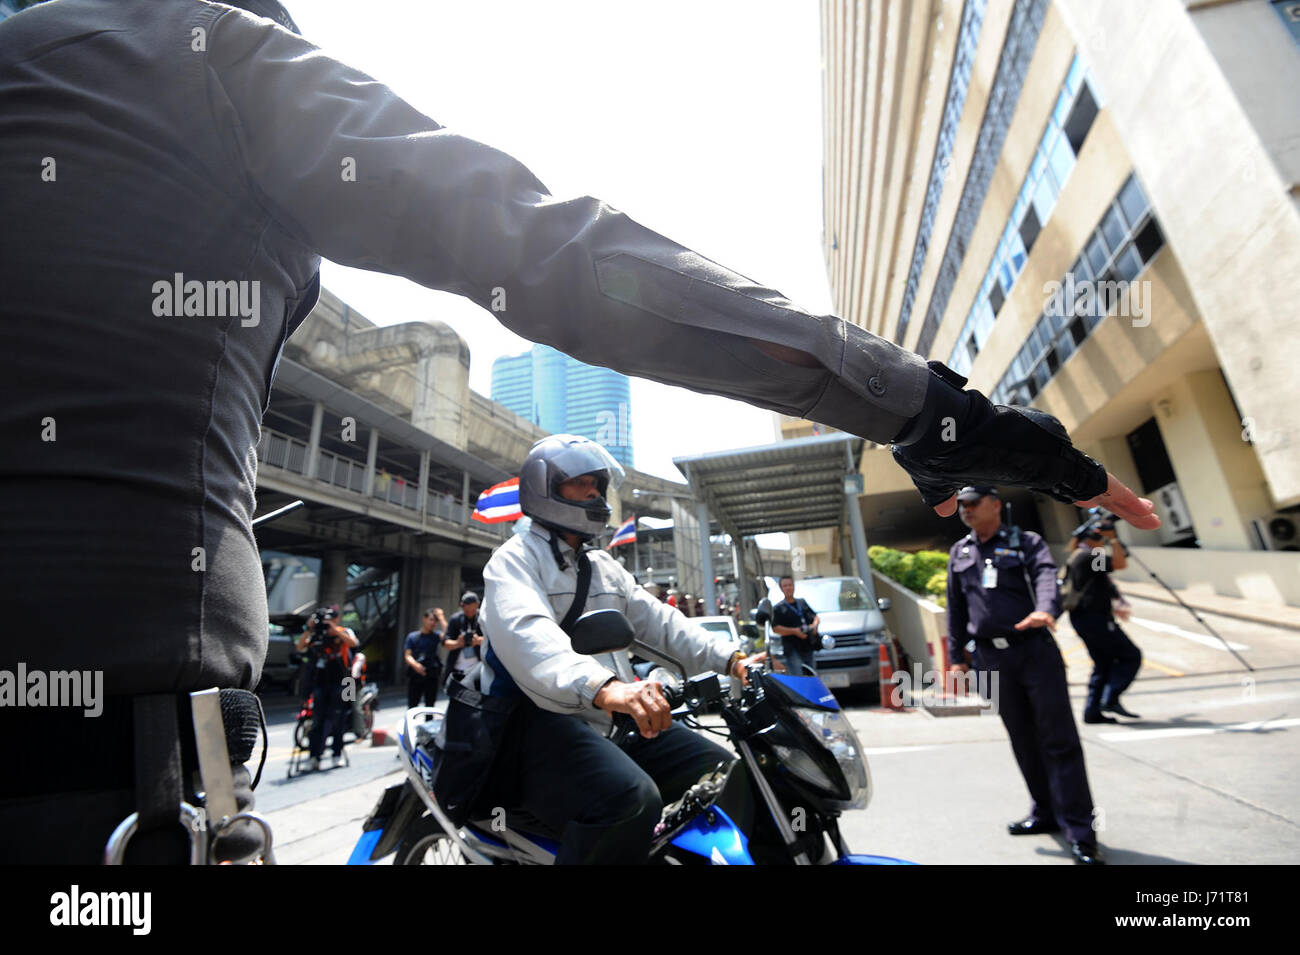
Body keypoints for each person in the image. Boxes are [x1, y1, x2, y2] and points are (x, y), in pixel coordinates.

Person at [0, 0, 1157, 862]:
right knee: (615, 807)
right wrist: (932, 412)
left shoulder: (591, 562)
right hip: (111, 789)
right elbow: (560, 254)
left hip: (131, 757)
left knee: (696, 772)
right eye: (591, 493)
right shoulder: (194, 54)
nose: (602, 510)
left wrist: (726, 654)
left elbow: (653, 616)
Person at [477, 435, 769, 864]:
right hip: (536, 725)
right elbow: (530, 636)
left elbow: (663, 624)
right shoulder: (513, 562)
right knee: (629, 800)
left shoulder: (601, 568)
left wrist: (732, 660)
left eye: (598, 483)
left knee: (727, 770)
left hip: (605, 719)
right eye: (582, 484)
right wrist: (608, 687)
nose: (595, 492)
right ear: (547, 488)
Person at [945, 486, 1104, 865]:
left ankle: (1080, 831)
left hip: (1033, 651)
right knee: (1022, 739)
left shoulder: (1026, 542)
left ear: (996, 504)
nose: (965, 510)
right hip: (990, 658)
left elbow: (1048, 577)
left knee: (1058, 739)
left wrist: (1046, 609)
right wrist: (956, 659)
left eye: (973, 503)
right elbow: (955, 608)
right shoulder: (960, 552)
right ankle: (1044, 813)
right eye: (961, 505)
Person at [1064, 524, 1142, 723]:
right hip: (1094, 618)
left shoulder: (1081, 555)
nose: (1101, 541)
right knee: (1131, 655)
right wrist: (1113, 539)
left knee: (1103, 663)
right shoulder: (1088, 556)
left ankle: (1092, 712)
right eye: (1098, 537)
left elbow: (1101, 581)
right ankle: (1110, 698)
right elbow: (1119, 563)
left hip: (1085, 617)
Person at [294, 607, 360, 771]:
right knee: (317, 721)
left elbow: (354, 643)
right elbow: (300, 647)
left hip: (343, 682)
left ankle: (336, 754)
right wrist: (309, 629)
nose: (326, 624)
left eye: (330, 619)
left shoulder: (343, 631)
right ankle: (314, 757)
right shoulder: (316, 634)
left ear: (336, 620)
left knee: (338, 720)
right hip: (320, 683)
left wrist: (334, 631)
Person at [770, 575, 821, 676]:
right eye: (785, 586)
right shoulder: (778, 608)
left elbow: (815, 617)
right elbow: (775, 628)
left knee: (812, 674)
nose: (788, 588)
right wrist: (794, 631)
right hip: (792, 648)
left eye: (790, 585)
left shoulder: (801, 602)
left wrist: (814, 627)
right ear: (781, 589)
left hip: (808, 645)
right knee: (798, 675)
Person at [404, 608, 446, 707]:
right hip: (416, 675)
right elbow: (407, 655)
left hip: (431, 675)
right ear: (424, 619)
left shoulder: (436, 636)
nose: (433, 623)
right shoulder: (412, 636)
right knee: (412, 706)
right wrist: (416, 665)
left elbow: (448, 635)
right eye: (431, 620)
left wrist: (441, 618)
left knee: (430, 706)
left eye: (435, 621)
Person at [443, 593, 484, 686]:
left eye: (473, 610)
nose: (470, 613)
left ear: (477, 605)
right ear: (462, 606)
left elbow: (492, 640)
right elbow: (445, 642)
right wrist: (458, 643)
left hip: (478, 668)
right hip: (457, 668)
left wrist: (478, 641)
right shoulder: (456, 619)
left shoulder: (483, 618)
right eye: (467, 611)